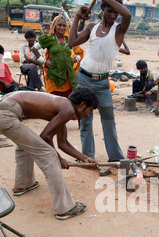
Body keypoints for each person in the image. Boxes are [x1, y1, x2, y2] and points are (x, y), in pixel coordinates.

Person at [0, 87, 99, 219]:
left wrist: (84, 158)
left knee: (25, 145)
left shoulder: (63, 106)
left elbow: (62, 143)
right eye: (90, 110)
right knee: (49, 155)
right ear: (82, 104)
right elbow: (46, 137)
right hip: (5, 113)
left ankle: (23, 184)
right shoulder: (68, 110)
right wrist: (59, 159)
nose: (88, 115)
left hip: (4, 106)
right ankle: (65, 208)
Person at [68, 0, 131, 161]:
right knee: (85, 120)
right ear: (102, 8)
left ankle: (115, 158)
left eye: (115, 12)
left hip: (103, 83)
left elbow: (127, 15)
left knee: (109, 121)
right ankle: (87, 156)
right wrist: (76, 17)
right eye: (110, 11)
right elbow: (71, 42)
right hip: (84, 78)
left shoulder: (118, 31)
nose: (113, 15)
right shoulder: (92, 27)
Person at [32, 15, 84, 97]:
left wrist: (74, 60)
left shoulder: (69, 39)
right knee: (53, 101)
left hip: (68, 76)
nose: (62, 28)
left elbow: (80, 53)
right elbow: (34, 49)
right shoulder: (49, 39)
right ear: (54, 26)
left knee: (67, 102)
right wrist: (45, 61)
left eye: (64, 26)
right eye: (59, 25)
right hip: (53, 76)